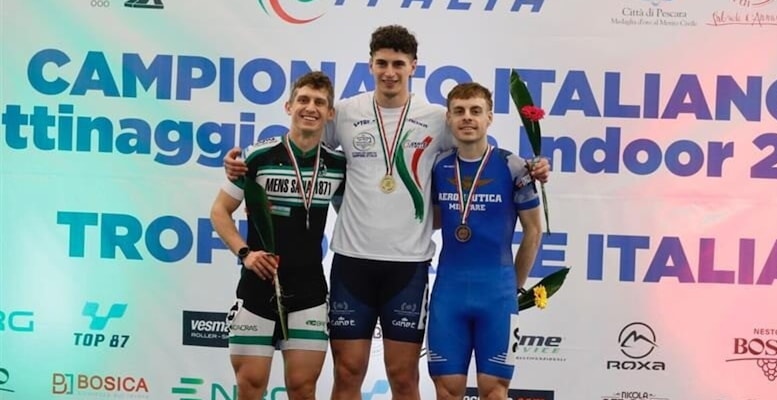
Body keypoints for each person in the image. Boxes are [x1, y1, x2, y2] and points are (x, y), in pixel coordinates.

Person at [224, 25, 550, 400]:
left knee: (403, 376)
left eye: (398, 64)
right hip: (352, 263)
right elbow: (300, 142)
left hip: (407, 266)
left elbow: (478, 151)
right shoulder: (346, 113)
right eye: (382, 63)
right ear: (370, 65)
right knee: (347, 373)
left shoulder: (436, 118)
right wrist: (241, 163)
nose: (390, 72)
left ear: (413, 66)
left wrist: (532, 168)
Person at [210, 71, 346, 400]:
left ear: (330, 113)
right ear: (288, 106)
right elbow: (219, 211)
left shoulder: (338, 165)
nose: (310, 108)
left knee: (303, 388)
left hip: (309, 291)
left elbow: (356, 216)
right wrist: (245, 254)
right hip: (258, 286)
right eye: (303, 100)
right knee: (250, 386)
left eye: (319, 102)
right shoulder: (258, 156)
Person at [426, 82, 543, 400]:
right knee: (447, 391)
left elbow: (534, 230)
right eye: (459, 111)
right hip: (448, 295)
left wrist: (513, 287)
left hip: (497, 296)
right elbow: (429, 219)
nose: (467, 117)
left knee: (494, 392)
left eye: (475, 111)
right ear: (449, 118)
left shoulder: (513, 166)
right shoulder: (437, 166)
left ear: (489, 117)